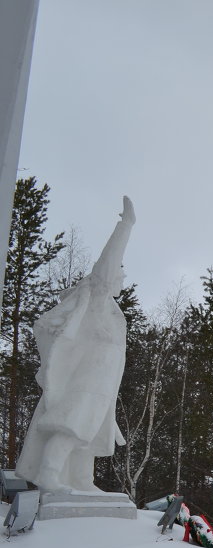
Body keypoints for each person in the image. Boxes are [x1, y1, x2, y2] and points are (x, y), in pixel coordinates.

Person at [16, 197, 135, 494]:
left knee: (91, 428)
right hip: (86, 375)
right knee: (72, 423)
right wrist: (126, 226)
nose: (120, 277)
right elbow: (106, 265)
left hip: (103, 380)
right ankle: (49, 472)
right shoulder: (96, 296)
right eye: (118, 274)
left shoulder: (111, 310)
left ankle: (82, 480)